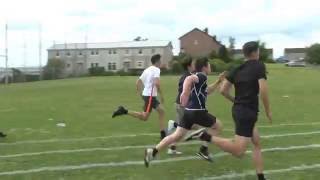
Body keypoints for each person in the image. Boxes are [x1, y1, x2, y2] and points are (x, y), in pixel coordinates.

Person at [185, 41, 272, 180]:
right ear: (256, 52)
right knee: (239, 151)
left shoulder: (236, 69)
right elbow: (263, 89)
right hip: (247, 113)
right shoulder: (259, 65)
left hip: (240, 110)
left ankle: (261, 176)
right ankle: (205, 136)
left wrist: (236, 101)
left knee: (256, 141)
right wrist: (268, 110)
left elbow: (223, 90)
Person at [144, 57, 223, 167]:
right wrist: (185, 93)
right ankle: (203, 149)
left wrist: (219, 81)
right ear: (205, 67)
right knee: (218, 126)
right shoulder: (201, 75)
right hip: (198, 112)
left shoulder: (202, 80)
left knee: (176, 136)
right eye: (209, 65)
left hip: (188, 112)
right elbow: (189, 79)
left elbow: (207, 91)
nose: (210, 67)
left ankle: (152, 152)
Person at [167, 57, 223, 161]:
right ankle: (201, 147)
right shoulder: (190, 76)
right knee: (192, 129)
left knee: (186, 129)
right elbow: (183, 91)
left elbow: (206, 91)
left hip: (186, 106)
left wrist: (218, 81)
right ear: (189, 66)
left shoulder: (192, 76)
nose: (194, 66)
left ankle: (174, 141)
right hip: (184, 105)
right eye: (193, 64)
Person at [112, 54, 166, 139]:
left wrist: (141, 93)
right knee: (147, 116)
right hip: (150, 96)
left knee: (159, 112)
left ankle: (163, 134)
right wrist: (161, 95)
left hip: (148, 95)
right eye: (160, 61)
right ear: (157, 61)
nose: (161, 62)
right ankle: (124, 110)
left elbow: (138, 82)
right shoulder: (156, 70)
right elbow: (157, 83)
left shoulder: (147, 70)